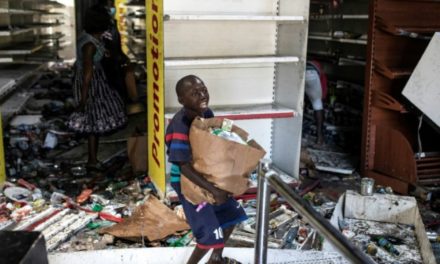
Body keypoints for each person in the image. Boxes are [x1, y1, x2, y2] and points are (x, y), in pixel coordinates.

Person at [166, 75, 247, 264]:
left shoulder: (206, 113)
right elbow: (182, 165)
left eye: (204, 90)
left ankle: (216, 259)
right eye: (194, 93)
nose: (202, 95)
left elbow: (212, 143)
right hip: (188, 183)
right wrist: (214, 190)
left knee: (232, 216)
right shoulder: (180, 125)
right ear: (182, 100)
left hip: (206, 175)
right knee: (208, 234)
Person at [68, 6, 127, 170]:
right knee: (93, 120)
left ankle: (92, 159)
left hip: (94, 80)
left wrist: (104, 52)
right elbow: (87, 73)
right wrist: (83, 98)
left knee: (93, 122)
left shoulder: (92, 39)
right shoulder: (89, 45)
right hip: (92, 84)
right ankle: (92, 160)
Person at [95, 0, 141, 110]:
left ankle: (118, 106)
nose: (111, 8)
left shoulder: (113, 24)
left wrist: (123, 56)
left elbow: (117, 44)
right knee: (109, 87)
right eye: (108, 6)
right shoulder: (101, 26)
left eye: (112, 5)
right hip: (105, 63)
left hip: (114, 62)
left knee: (118, 85)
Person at [305, 60, 327, 145]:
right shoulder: (322, 73)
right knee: (317, 104)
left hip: (301, 70)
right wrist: (322, 99)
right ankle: (319, 137)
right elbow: (323, 89)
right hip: (312, 74)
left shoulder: (312, 63)